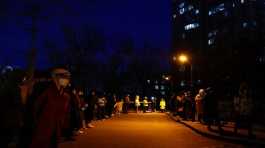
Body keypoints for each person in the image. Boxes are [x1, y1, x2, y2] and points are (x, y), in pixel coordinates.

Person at [28, 67, 71, 148]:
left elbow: (65, 113)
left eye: (68, 76)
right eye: (63, 76)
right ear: (54, 77)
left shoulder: (66, 95)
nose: (66, 79)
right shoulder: (45, 91)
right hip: (41, 131)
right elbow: (34, 108)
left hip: (56, 131)